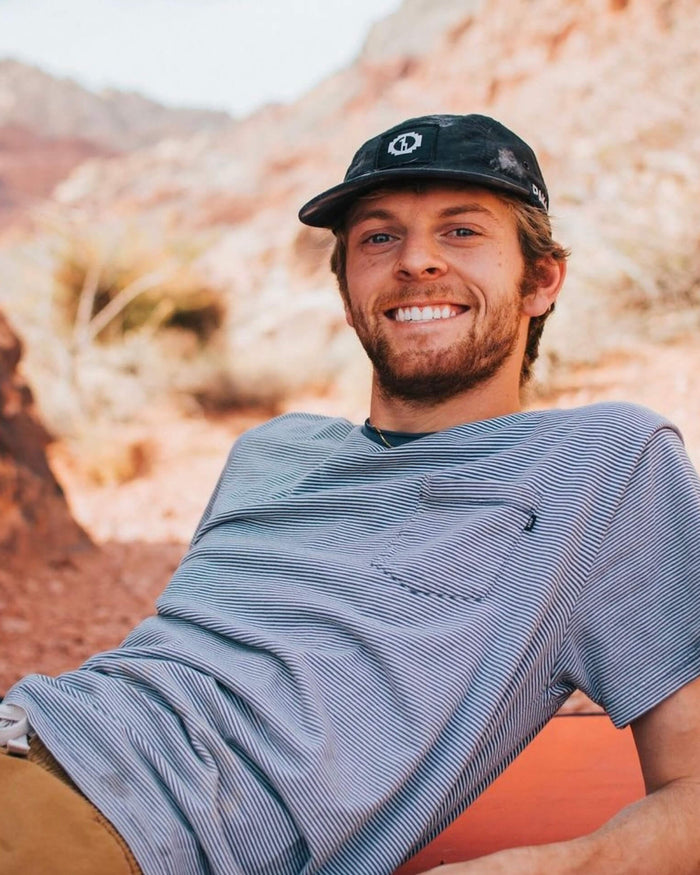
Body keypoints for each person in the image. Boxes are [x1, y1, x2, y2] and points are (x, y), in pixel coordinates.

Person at [1, 113, 699, 875]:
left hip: (128, 829)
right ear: (345, 291)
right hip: (35, 725)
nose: (416, 261)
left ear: (540, 279)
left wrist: (544, 867)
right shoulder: (268, 452)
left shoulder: (606, 466)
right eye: (378, 237)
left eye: (462, 231)